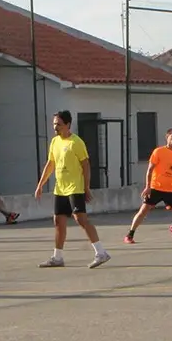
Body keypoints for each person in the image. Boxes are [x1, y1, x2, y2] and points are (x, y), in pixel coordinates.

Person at [34, 110, 110, 268]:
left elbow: (86, 165)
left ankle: (101, 253)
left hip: (75, 188)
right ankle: (57, 257)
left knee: (81, 219)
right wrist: (40, 184)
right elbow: (51, 164)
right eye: (54, 124)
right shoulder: (55, 142)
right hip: (60, 189)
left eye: (59, 124)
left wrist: (86, 187)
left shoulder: (76, 142)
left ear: (68, 124)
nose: (56, 127)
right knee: (58, 221)